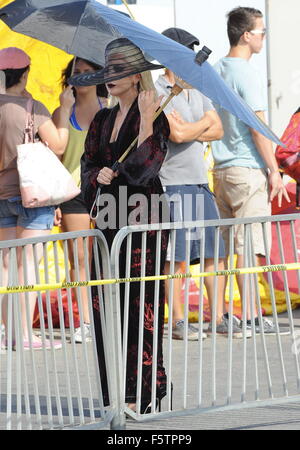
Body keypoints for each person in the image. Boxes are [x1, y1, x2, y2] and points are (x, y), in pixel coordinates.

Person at [69, 38, 170, 411]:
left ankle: (145, 393)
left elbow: (147, 168)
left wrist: (145, 120)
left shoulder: (156, 114)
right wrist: (101, 175)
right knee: (102, 305)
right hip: (108, 218)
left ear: (134, 74)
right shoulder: (101, 118)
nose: (109, 77)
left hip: (144, 220)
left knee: (139, 305)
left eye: (117, 69)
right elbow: (86, 168)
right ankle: (115, 393)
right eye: (107, 69)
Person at [156, 27, 244, 340]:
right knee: (177, 258)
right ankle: (177, 320)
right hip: (172, 184)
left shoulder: (198, 88)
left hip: (199, 182)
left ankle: (218, 316)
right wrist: (199, 127)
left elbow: (217, 129)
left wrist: (191, 128)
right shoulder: (157, 90)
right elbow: (175, 134)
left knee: (214, 255)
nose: (195, 60)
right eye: (188, 54)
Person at [211, 7, 290, 334]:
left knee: (226, 249)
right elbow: (257, 127)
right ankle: (251, 316)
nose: (263, 37)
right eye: (261, 31)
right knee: (249, 248)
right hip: (247, 168)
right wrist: (273, 169)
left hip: (221, 168)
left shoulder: (217, 70)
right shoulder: (247, 74)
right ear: (246, 35)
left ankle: (228, 315)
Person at [0, 47, 75, 349]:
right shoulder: (33, 107)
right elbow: (57, 145)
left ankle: (5, 333)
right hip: (32, 195)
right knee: (29, 263)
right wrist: (65, 110)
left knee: (4, 265)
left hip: (1, 194)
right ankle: (23, 334)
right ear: (26, 73)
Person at [52, 57, 108, 343]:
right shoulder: (63, 111)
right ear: (70, 76)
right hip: (73, 193)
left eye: (89, 72)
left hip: (105, 193)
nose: (83, 77)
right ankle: (85, 320)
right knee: (79, 257)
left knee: (106, 256)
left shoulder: (109, 110)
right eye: (78, 72)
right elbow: (54, 157)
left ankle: (106, 316)